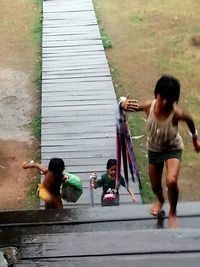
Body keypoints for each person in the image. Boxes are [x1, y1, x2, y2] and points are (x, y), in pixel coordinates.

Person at [120, 75, 200, 227]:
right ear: (156, 94)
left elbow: (189, 120)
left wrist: (195, 137)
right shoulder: (149, 106)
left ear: (175, 100)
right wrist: (122, 102)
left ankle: (173, 212)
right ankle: (160, 199)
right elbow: (130, 106)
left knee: (171, 180)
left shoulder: (176, 113)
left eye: (169, 100)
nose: (164, 103)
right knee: (155, 185)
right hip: (154, 150)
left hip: (172, 148)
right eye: (162, 98)